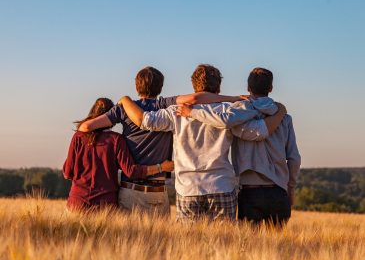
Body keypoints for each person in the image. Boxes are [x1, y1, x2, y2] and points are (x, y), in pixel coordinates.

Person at [118, 65, 286, 221]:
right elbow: (257, 131)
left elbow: (145, 121)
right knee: (224, 246)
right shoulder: (229, 111)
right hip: (222, 186)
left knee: (189, 248)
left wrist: (125, 100)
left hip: (188, 188)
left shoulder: (175, 112)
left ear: (194, 86)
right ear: (218, 88)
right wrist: (279, 112)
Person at [78, 66, 246, 215]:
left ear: (137, 87)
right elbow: (195, 99)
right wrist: (233, 99)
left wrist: (116, 130)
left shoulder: (124, 109)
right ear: (161, 87)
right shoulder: (165, 104)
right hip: (160, 191)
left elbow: (86, 127)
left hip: (131, 189)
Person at [177, 67, 301, 227]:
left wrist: (192, 112)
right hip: (279, 192)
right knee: (277, 249)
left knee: (249, 248)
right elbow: (294, 158)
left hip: (250, 193)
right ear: (270, 88)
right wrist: (290, 189)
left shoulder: (237, 115)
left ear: (248, 88)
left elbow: (224, 121)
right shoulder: (284, 118)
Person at [63, 97, 174, 211]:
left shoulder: (78, 137)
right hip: (105, 205)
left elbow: (67, 173)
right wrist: (161, 167)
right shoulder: (116, 140)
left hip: (77, 203)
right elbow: (131, 171)